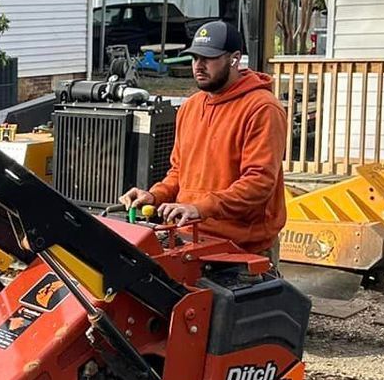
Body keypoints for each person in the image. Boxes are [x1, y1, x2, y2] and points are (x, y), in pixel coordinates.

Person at [119, 20, 286, 262]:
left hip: (244, 247)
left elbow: (258, 183)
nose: (198, 66)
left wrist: (200, 208)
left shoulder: (262, 108)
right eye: (195, 58)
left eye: (208, 58)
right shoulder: (190, 107)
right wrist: (154, 196)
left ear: (235, 58)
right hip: (189, 238)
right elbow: (179, 172)